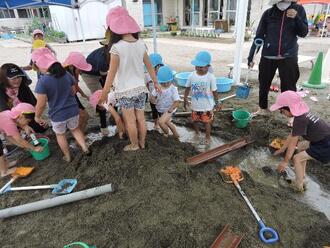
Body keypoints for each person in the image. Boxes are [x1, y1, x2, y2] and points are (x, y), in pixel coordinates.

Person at [99, 6, 159, 151]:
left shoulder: (116, 48)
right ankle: (142, 142)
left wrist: (104, 94)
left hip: (125, 91)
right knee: (141, 118)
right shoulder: (141, 44)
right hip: (140, 89)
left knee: (130, 121)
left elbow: (111, 75)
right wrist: (155, 82)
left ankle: (134, 145)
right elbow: (150, 67)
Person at [248, 0, 308, 117]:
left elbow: (304, 33)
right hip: (268, 55)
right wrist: (251, 57)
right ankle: (263, 108)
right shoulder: (268, 13)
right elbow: (259, 36)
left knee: (289, 86)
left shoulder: (299, 10)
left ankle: (290, 113)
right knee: (264, 83)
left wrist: (296, 18)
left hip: (288, 55)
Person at [32, 49, 91, 162]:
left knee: (60, 135)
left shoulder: (43, 81)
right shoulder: (66, 74)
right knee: (76, 130)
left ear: (42, 67)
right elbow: (73, 92)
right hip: (73, 110)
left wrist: (37, 117)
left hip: (58, 115)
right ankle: (85, 148)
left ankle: (67, 156)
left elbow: (41, 104)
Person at [270, 91, 330, 192]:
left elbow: (293, 144)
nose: (282, 114)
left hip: (325, 146)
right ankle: (302, 176)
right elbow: (292, 135)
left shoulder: (300, 120)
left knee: (296, 158)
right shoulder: (301, 115)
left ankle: (298, 186)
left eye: (281, 111)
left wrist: (285, 162)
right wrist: (282, 149)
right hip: (323, 139)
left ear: (288, 109)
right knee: (302, 146)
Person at [183, 51, 221, 144]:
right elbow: (187, 88)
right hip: (195, 105)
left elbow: (215, 92)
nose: (198, 68)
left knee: (207, 122)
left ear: (208, 66)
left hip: (207, 106)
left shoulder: (211, 77)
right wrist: (185, 99)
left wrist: (217, 103)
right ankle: (197, 133)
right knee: (195, 120)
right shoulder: (191, 76)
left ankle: (207, 137)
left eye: (201, 66)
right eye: (197, 66)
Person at [0, 63, 48, 133]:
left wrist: (38, 117)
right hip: (5, 116)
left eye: (19, 77)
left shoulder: (23, 87)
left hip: (22, 116)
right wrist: (23, 126)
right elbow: (5, 112)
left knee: (41, 127)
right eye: (13, 78)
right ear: (4, 79)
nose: (17, 80)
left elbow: (33, 104)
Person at [0, 103, 43, 177]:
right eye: (28, 121)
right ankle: (3, 171)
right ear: (21, 116)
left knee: (1, 148)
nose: (28, 123)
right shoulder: (9, 124)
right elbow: (19, 139)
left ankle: (5, 164)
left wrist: (25, 127)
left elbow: (8, 136)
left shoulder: (10, 114)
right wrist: (34, 148)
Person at [80, 40, 110, 136]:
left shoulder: (110, 54)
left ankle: (98, 110)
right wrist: (107, 91)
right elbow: (105, 81)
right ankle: (103, 127)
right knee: (101, 97)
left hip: (98, 72)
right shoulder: (102, 60)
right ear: (107, 47)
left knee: (104, 92)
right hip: (88, 74)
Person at [63, 52, 92, 133]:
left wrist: (84, 95)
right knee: (83, 116)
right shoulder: (64, 75)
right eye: (80, 68)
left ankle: (80, 136)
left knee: (85, 117)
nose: (81, 71)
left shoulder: (74, 72)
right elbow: (73, 91)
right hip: (66, 99)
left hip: (73, 97)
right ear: (72, 66)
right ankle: (78, 138)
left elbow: (76, 86)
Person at [150, 66, 180, 138]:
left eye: (168, 82)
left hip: (170, 109)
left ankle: (166, 134)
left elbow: (177, 101)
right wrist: (153, 99)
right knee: (167, 122)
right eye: (163, 83)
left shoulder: (173, 89)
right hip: (161, 109)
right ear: (159, 81)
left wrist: (171, 109)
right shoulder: (158, 87)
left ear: (171, 80)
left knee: (161, 122)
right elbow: (152, 97)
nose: (166, 84)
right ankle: (176, 134)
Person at [145, 53, 164, 130]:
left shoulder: (162, 74)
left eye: (159, 67)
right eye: (155, 68)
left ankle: (163, 123)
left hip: (161, 97)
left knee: (162, 110)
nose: (156, 70)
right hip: (152, 98)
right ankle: (156, 124)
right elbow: (146, 86)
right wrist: (149, 94)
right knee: (154, 111)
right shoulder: (147, 76)